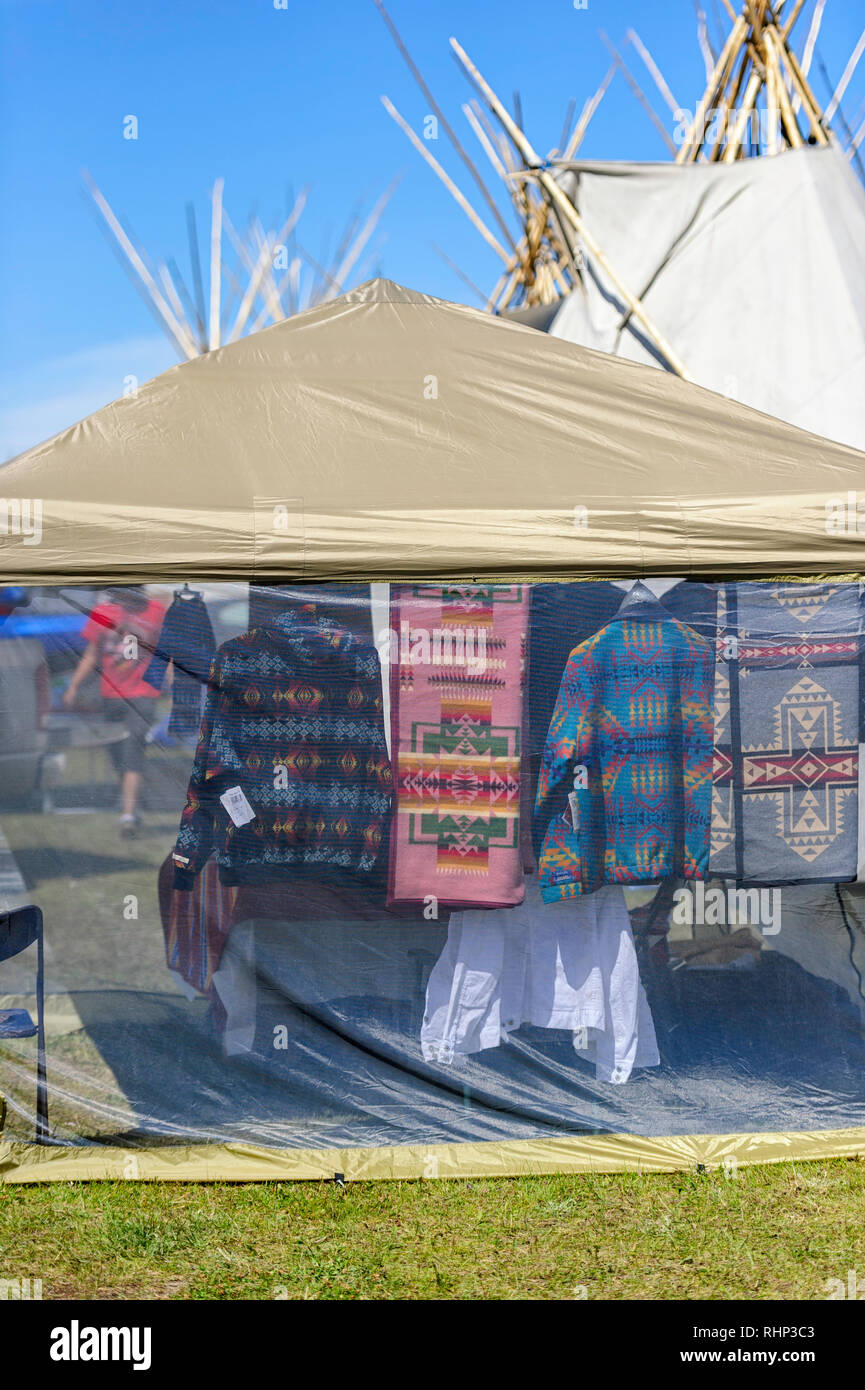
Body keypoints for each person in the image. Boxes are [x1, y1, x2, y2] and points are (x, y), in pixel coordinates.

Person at [63, 586, 166, 837]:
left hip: (143, 695)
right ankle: (131, 806)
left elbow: (169, 651)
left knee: (133, 749)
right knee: (116, 754)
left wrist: (173, 682)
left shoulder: (156, 611)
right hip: (111, 695)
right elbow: (91, 654)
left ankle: (127, 817)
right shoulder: (102, 613)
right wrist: (74, 686)